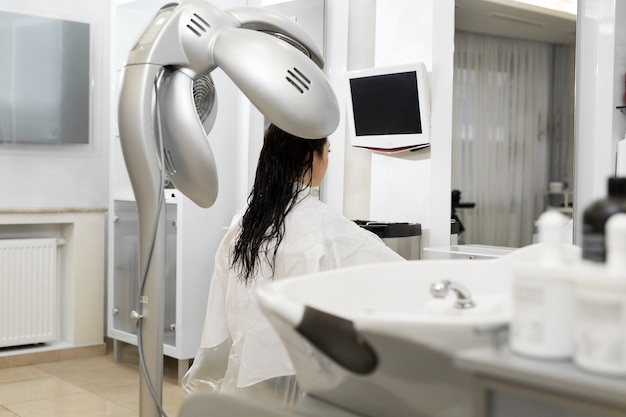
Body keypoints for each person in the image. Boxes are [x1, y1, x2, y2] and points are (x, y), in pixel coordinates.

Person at [182, 123, 405, 407]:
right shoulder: (322, 223)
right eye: (328, 152)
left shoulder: (245, 222)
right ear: (308, 158)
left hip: (252, 373)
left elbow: (219, 309)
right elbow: (396, 275)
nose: (328, 161)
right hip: (303, 375)